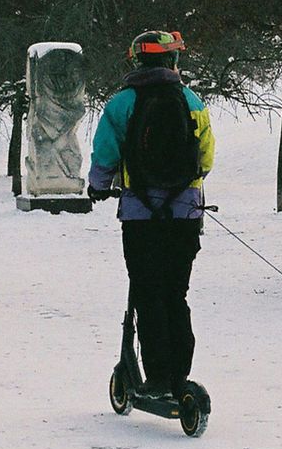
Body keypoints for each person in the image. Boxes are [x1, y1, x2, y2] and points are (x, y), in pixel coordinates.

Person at [87, 30, 215, 401]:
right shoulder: (192, 101)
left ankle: (157, 377)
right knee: (176, 293)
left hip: (140, 216)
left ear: (137, 61)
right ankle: (180, 375)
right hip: (185, 215)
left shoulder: (121, 104)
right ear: (172, 62)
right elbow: (205, 159)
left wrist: (99, 186)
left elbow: (105, 157)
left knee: (148, 292)